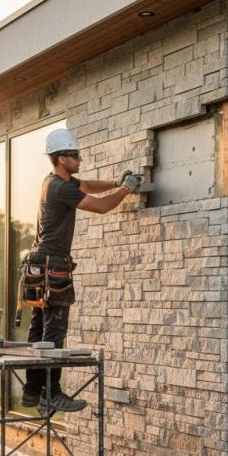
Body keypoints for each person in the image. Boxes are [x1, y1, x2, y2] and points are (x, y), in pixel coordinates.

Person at [19, 127, 142, 414]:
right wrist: (127, 189)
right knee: (54, 333)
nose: (80, 159)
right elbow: (99, 207)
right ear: (62, 159)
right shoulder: (60, 188)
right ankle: (52, 393)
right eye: (75, 156)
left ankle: (32, 391)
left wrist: (115, 181)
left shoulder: (53, 181)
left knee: (38, 331)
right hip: (53, 266)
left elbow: (86, 185)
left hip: (40, 265)